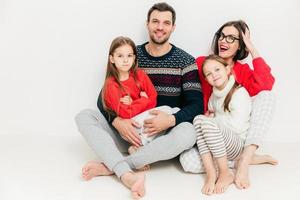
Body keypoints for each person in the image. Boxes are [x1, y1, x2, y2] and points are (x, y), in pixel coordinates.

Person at [75, 2, 203, 199]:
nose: (160, 27)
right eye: (155, 21)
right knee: (84, 116)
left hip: (160, 136)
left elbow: (196, 105)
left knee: (188, 133)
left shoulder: (186, 61)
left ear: (173, 27)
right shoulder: (131, 55)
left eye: (166, 22)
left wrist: (170, 121)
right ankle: (127, 167)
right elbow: (104, 99)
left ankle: (114, 166)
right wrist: (118, 122)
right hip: (128, 131)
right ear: (147, 24)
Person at [180, 20, 278, 190]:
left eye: (231, 38)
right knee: (187, 162)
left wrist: (252, 49)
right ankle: (235, 160)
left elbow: (266, 83)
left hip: (232, 134)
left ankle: (244, 161)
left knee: (267, 96)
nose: (223, 41)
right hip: (207, 132)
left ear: (241, 46)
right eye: (222, 36)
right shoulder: (203, 63)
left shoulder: (243, 71)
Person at [102, 36, 179, 164]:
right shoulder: (111, 84)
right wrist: (143, 100)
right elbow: (124, 114)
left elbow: (153, 98)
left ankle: (139, 146)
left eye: (129, 56)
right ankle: (140, 146)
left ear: (134, 58)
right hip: (130, 128)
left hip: (143, 122)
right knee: (168, 110)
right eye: (120, 56)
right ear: (112, 59)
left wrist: (133, 103)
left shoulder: (139, 75)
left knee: (172, 111)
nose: (125, 60)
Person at [194, 54, 252, 195]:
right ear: (207, 79)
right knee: (198, 119)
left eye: (217, 69)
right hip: (221, 143)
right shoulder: (214, 96)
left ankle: (225, 173)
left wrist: (213, 119)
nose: (214, 75)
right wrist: (210, 118)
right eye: (209, 74)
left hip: (237, 143)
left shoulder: (239, 93)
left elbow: (237, 126)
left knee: (206, 122)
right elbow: (211, 115)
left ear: (227, 69)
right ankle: (211, 174)